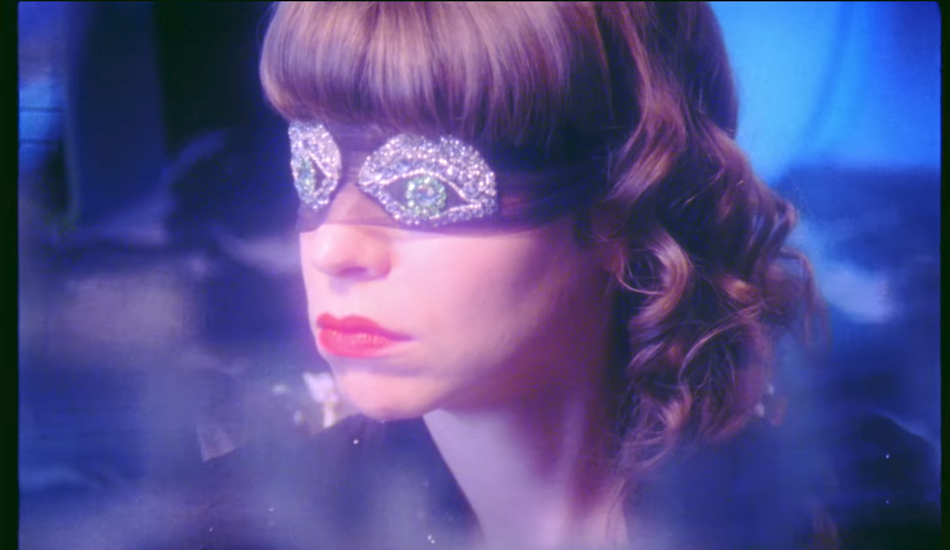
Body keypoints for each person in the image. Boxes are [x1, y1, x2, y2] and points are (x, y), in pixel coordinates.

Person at [188, 3, 937, 550]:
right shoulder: (224, 526)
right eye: (312, 170)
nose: (332, 247)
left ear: (624, 205)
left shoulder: (865, 507)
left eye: (426, 188)